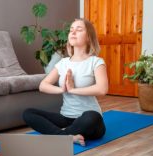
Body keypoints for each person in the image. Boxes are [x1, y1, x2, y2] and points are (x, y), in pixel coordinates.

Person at [23, 18, 108, 146]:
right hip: (66, 118)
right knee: (28, 113)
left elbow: (102, 89)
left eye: (79, 30)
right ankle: (67, 137)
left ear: (89, 37)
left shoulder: (96, 62)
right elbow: (43, 85)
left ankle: (60, 135)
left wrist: (74, 90)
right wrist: (62, 89)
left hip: (90, 122)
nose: (73, 32)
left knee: (92, 116)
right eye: (71, 30)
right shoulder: (63, 63)